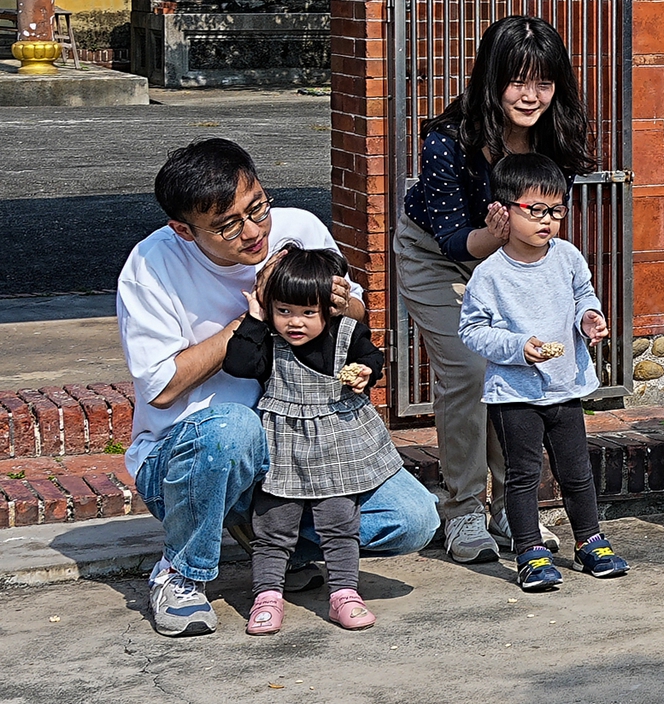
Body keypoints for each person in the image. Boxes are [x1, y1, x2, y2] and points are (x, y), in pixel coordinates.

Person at [119, 138, 440, 638]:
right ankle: (180, 574)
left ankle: (273, 541)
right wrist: (255, 314)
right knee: (233, 428)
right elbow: (162, 387)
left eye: (257, 207)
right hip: (193, 452)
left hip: (301, 442)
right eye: (228, 226)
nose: (254, 232)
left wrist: (329, 302)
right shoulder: (151, 266)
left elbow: (354, 313)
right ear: (183, 230)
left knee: (413, 518)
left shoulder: (300, 228)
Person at [398, 15, 595, 565]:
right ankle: (462, 510)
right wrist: (497, 234)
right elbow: (456, 240)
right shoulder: (447, 141)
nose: (532, 96)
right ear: (491, 77)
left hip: (515, 257)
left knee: (520, 366)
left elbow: (546, 220)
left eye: (545, 83)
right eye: (518, 81)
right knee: (468, 369)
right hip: (441, 256)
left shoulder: (556, 137)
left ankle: (516, 508)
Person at [458, 153, 620, 592]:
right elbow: (472, 331)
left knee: (577, 471)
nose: (547, 221)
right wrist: (517, 348)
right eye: (535, 210)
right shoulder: (490, 274)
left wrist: (590, 317)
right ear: (504, 210)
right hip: (514, 394)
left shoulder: (567, 257)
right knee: (523, 475)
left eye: (557, 210)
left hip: (565, 387)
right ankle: (529, 551)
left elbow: (584, 294)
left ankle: (590, 541)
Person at [223, 248, 398, 636]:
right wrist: (255, 317)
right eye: (284, 311)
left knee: (339, 523)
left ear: (328, 309)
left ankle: (345, 594)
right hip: (283, 445)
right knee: (272, 526)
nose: (294, 323)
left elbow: (375, 359)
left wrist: (365, 374)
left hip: (337, 446)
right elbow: (236, 363)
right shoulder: (268, 340)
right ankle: (267, 595)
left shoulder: (348, 334)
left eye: (307, 313)